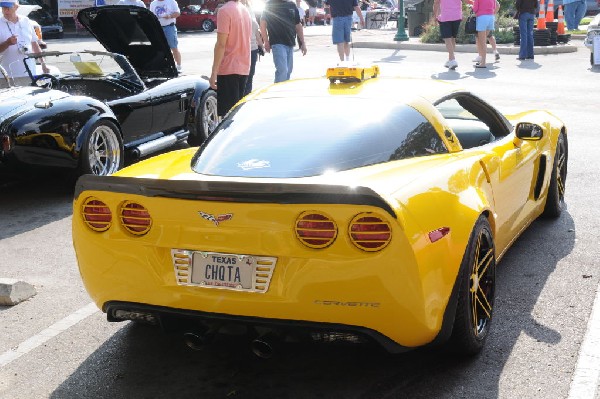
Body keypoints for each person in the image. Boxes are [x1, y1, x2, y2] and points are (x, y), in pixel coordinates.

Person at [209, 0, 252, 117]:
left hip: (228, 67)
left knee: (228, 117)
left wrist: (214, 72)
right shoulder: (245, 10)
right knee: (238, 115)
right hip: (244, 66)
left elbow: (221, 44)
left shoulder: (224, 11)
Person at [0, 0, 48, 87]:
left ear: (16, 7)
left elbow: (34, 44)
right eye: (3, 8)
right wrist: (7, 43)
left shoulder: (26, 21)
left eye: (8, 7)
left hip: (28, 73)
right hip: (5, 76)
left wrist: (43, 63)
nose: (5, 10)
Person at [260, 0, 307, 83]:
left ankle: (283, 93)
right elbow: (263, 24)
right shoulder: (270, 4)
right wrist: (266, 42)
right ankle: (277, 93)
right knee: (282, 71)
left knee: (288, 71)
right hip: (277, 43)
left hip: (290, 43)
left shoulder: (291, 5)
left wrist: (303, 43)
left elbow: (298, 25)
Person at [149, 0, 182, 72]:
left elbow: (177, 13)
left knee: (174, 47)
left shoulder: (172, 1)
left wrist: (169, 16)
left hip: (169, 27)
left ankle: (179, 66)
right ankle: (163, 66)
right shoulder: (153, 3)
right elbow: (150, 16)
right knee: (160, 48)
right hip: (158, 28)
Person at [433, 0, 463, 69]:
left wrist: (435, 15)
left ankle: (452, 59)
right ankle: (450, 60)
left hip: (446, 16)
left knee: (447, 38)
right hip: (457, 16)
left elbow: (436, 3)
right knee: (453, 38)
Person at [242, 0, 264, 95]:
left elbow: (257, 34)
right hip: (248, 49)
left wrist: (261, 46)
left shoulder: (249, 12)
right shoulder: (248, 15)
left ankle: (245, 95)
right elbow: (257, 34)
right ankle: (245, 95)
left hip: (250, 49)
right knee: (248, 75)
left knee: (248, 75)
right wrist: (261, 46)